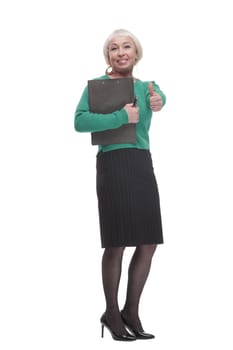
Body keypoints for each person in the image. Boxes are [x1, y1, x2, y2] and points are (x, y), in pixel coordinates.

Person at [74, 29, 166, 341]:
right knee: (116, 242)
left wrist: (158, 100)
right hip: (112, 165)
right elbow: (80, 121)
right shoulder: (96, 87)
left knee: (148, 240)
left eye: (126, 46)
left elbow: (159, 99)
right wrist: (119, 117)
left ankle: (131, 310)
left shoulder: (146, 87)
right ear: (109, 56)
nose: (120, 52)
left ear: (136, 53)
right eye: (114, 48)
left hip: (141, 163)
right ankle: (112, 313)